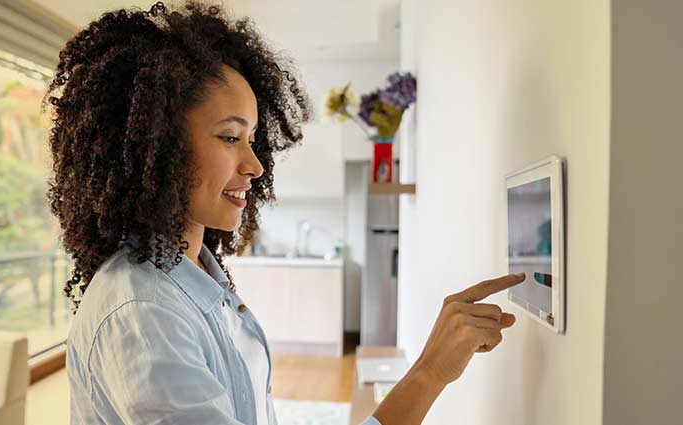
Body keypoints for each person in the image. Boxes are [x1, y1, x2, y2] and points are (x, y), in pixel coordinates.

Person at [44, 2, 524, 424]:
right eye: (230, 137)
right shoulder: (144, 314)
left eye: (251, 140)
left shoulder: (191, 273)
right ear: (156, 144)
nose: (253, 165)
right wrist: (430, 372)